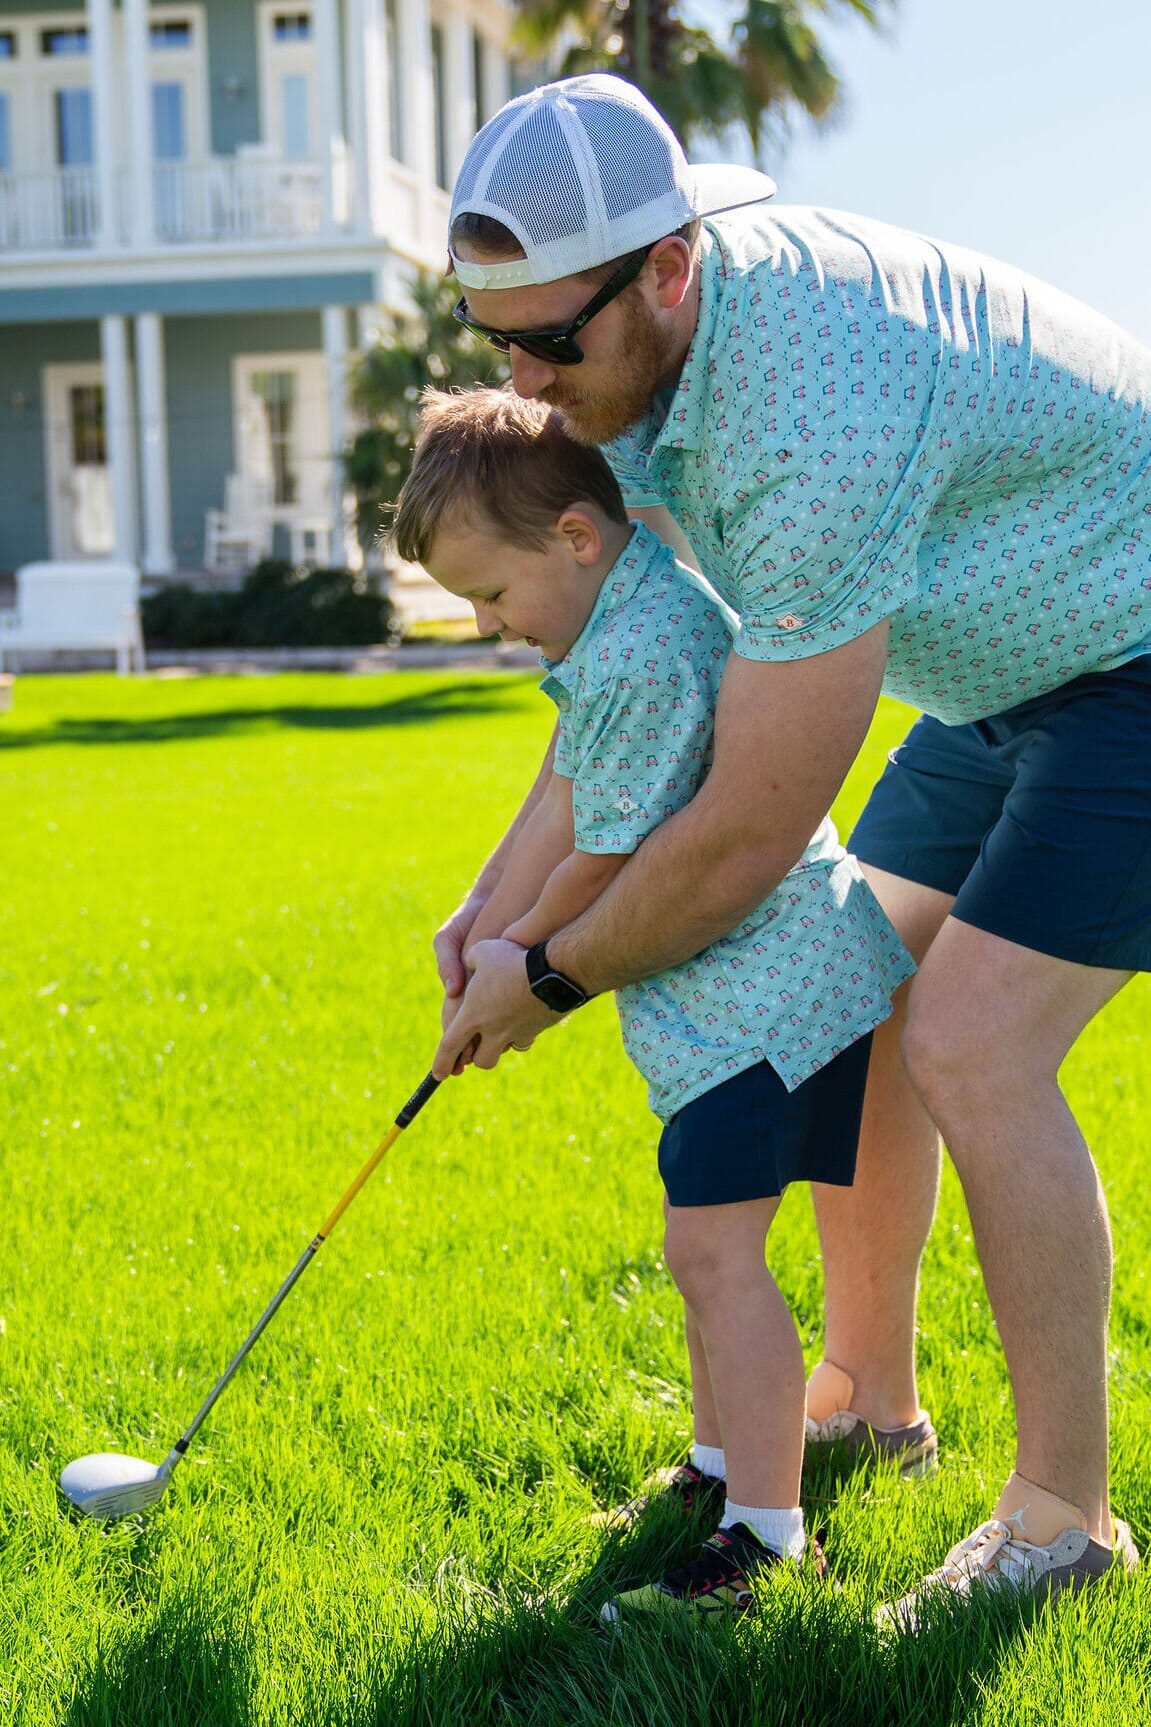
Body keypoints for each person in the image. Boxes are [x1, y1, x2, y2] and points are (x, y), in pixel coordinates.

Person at [430, 73, 1149, 1622]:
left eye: (551, 341)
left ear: (670, 269)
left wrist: (545, 974)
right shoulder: (635, 360)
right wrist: (491, 899)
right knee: (857, 980)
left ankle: (1061, 1521)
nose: (525, 379)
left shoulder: (806, 402)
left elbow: (749, 825)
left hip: (1134, 649)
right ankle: (865, 1398)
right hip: (998, 674)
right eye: (495, 338)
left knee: (971, 1040)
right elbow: (613, 682)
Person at [392, 385, 914, 1619]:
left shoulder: (636, 647)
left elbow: (610, 856)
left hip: (768, 1002)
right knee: (702, 1246)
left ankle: (768, 1540)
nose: (484, 622)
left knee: (711, 1253)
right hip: (732, 1000)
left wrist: (519, 962)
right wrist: (479, 922)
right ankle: (721, 1469)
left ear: (575, 535)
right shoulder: (609, 623)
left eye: (492, 595)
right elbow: (563, 783)